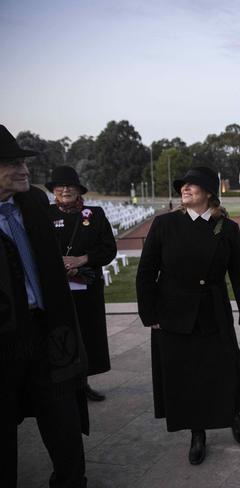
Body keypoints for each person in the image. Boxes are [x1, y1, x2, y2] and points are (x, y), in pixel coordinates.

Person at [136, 167, 240, 465]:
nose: (185, 189)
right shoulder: (164, 225)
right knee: (185, 376)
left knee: (224, 368)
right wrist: (148, 312)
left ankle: (232, 415)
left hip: (213, 309)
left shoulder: (226, 228)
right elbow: (146, 272)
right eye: (183, 186)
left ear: (209, 193)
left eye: (193, 186)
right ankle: (197, 433)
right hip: (173, 312)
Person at [0, 125, 88, 487]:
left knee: (63, 417)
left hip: (48, 331)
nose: (24, 169)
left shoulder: (34, 202)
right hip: (4, 342)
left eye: (23, 162)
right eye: (11, 163)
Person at [46, 166, 116, 402]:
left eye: (70, 186)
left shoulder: (94, 215)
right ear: (54, 190)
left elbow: (109, 249)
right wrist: (59, 268)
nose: (65, 189)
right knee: (60, 337)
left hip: (86, 288)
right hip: (55, 289)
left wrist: (81, 260)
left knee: (87, 336)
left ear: (78, 189)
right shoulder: (43, 215)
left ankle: (83, 383)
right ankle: (64, 387)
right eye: (60, 186)